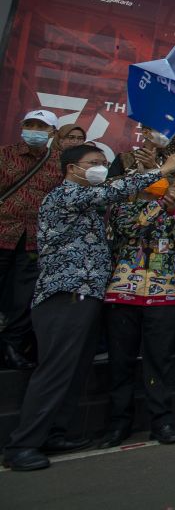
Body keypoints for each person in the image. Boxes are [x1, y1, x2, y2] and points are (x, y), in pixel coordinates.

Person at [1, 144, 175, 471]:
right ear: (72, 168)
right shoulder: (64, 195)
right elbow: (116, 193)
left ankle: (54, 432)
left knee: (74, 370)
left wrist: (158, 187)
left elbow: (127, 201)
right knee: (55, 370)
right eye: (93, 163)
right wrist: (162, 170)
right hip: (65, 293)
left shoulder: (92, 202)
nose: (100, 167)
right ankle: (22, 445)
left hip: (89, 294)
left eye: (103, 162)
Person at [98, 178, 175, 448]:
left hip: (162, 294)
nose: (160, 185)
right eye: (155, 181)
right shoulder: (122, 209)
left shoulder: (174, 213)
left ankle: (161, 420)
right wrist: (159, 205)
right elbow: (131, 227)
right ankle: (119, 422)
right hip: (123, 292)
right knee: (121, 361)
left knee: (159, 361)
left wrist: (174, 211)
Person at [0, 109, 62, 370]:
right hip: (2, 232)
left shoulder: (59, 162)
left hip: (35, 240)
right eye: (30, 125)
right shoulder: (5, 155)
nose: (35, 130)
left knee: (23, 297)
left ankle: (10, 348)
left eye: (41, 126)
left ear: (52, 133)